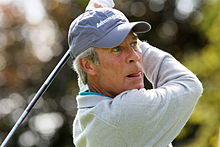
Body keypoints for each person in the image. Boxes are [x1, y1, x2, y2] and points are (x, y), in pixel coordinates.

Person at [68, 6, 203, 147]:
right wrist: (139, 45)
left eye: (134, 43)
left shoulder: (86, 112)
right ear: (88, 65)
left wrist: (98, 19)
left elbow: (85, 80)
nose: (136, 56)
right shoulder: (125, 113)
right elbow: (189, 85)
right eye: (116, 49)